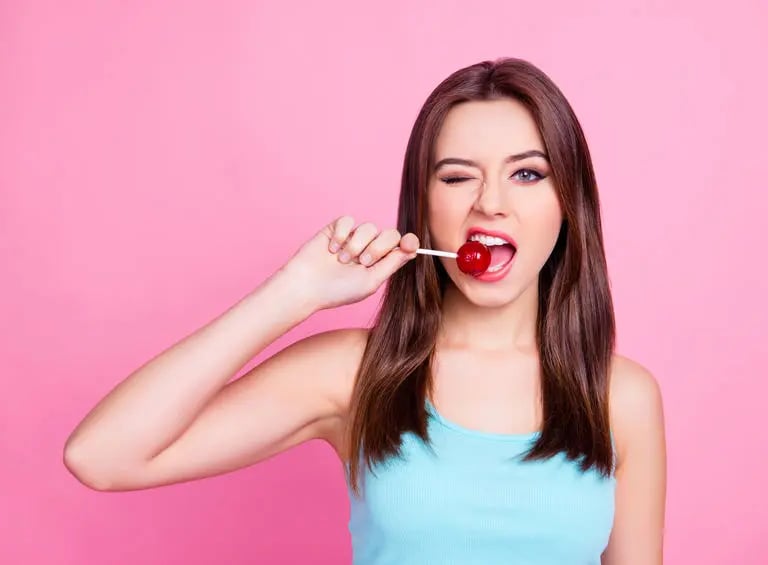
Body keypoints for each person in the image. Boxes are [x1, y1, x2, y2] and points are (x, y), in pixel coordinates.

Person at [63, 57, 666, 564]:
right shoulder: (354, 375)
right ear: (423, 205)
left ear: (569, 202)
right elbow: (101, 456)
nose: (491, 204)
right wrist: (294, 292)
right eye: (457, 178)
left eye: (527, 174)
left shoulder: (621, 396)